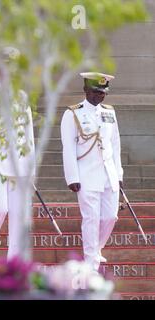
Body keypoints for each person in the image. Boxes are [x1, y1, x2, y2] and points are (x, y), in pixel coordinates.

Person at [60, 72, 123, 271]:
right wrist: (72, 177)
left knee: (110, 216)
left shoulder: (109, 113)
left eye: (103, 92)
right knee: (91, 218)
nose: (100, 96)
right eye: (96, 92)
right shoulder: (73, 113)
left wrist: (118, 174)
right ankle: (90, 260)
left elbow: (115, 145)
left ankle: (97, 249)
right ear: (86, 90)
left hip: (108, 174)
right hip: (86, 175)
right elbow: (68, 147)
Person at [0, 57, 36, 263]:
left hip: (19, 164)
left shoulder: (21, 96)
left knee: (18, 215)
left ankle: (15, 258)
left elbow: (28, 135)